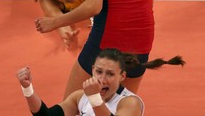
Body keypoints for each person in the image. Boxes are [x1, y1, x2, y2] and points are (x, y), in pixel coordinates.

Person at [16, 48, 184, 116]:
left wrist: (95, 98)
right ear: (92, 69)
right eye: (99, 71)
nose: (102, 79)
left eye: (110, 74)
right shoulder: (80, 97)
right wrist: (28, 88)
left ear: (122, 76)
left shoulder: (130, 103)